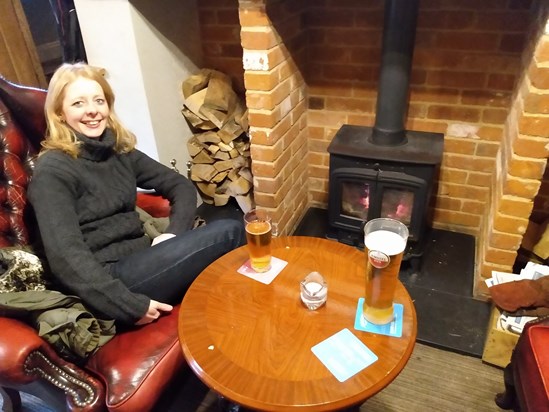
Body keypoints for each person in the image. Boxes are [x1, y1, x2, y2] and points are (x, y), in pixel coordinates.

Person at [28, 62, 246, 327]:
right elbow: (67, 259)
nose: (93, 111)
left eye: (99, 100)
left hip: (143, 258)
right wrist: (130, 307)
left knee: (224, 255)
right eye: (78, 103)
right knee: (231, 230)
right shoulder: (53, 170)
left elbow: (180, 185)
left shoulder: (116, 150)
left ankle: (236, 322)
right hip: (110, 280)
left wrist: (172, 234)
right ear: (60, 113)